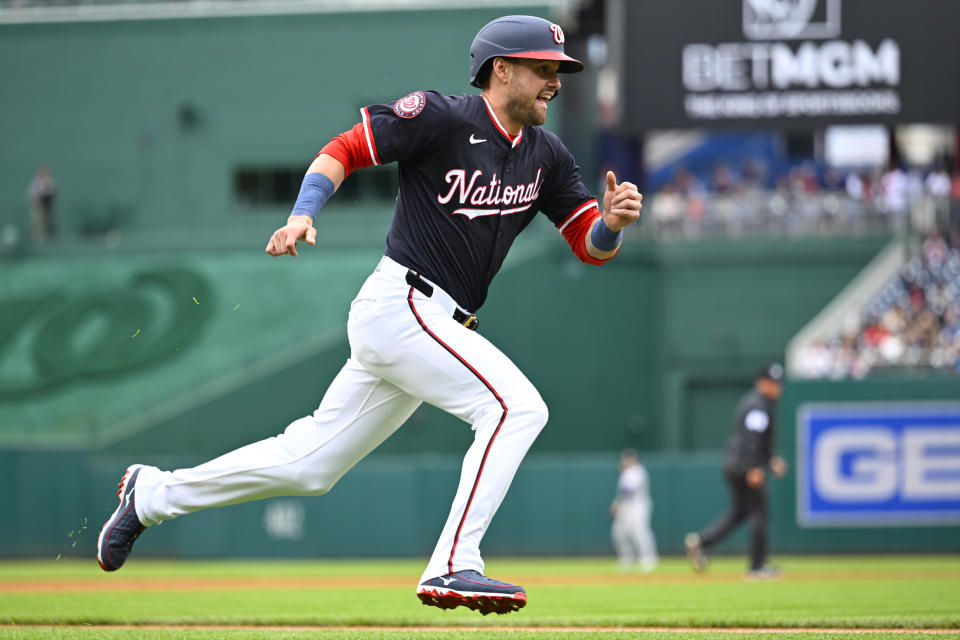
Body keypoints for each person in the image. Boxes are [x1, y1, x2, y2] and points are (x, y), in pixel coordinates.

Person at [96, 15, 643, 616]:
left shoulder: (547, 156)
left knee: (309, 465)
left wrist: (611, 225)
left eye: (559, 71)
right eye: (543, 68)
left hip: (434, 325)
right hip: (401, 304)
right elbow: (346, 148)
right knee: (516, 407)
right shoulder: (442, 117)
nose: (554, 81)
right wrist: (304, 212)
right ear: (501, 69)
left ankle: (152, 494)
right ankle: (455, 563)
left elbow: (586, 245)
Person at [685, 363, 787, 579]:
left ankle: (704, 542)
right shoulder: (758, 405)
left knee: (740, 512)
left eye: (778, 383)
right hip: (743, 465)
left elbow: (757, 441)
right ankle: (757, 566)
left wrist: (769, 460)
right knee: (760, 512)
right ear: (761, 382)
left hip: (736, 463)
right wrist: (754, 467)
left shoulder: (760, 403)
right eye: (771, 382)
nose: (776, 387)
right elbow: (751, 438)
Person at [610, 448, 657, 572]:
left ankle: (648, 558)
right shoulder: (626, 473)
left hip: (637, 507)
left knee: (640, 532)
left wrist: (616, 504)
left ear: (633, 459)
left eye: (627, 459)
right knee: (619, 532)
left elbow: (628, 492)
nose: (624, 462)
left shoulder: (637, 471)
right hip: (626, 507)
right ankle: (627, 558)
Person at [28, 165, 57, 243]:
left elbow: (53, 192)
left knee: (47, 221)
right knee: (37, 221)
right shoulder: (35, 182)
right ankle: (37, 238)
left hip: (47, 205)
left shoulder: (49, 182)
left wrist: (47, 193)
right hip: (37, 205)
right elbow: (32, 194)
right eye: (42, 173)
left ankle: (48, 237)